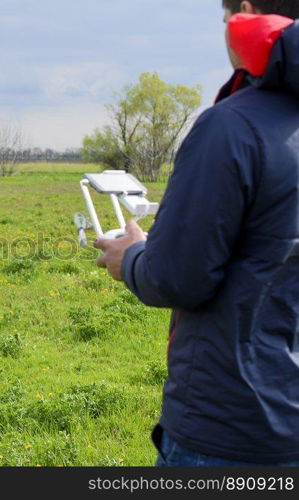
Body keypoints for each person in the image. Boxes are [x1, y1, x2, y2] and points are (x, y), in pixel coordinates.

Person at [94, 0, 299, 466]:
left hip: (231, 426)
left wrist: (129, 256)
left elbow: (177, 278)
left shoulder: (232, 126)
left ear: (242, 11)